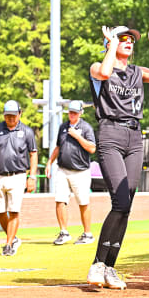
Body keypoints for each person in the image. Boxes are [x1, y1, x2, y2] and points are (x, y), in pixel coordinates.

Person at [86, 23, 149, 289]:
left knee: (127, 206)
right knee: (121, 201)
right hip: (110, 134)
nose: (128, 41)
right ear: (110, 42)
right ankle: (97, 264)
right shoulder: (98, 67)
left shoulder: (137, 71)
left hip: (134, 137)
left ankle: (110, 268)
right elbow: (105, 72)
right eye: (122, 38)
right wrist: (111, 46)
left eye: (131, 39)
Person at [0, 100, 38, 257]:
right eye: (7, 115)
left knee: (14, 211)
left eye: (13, 115)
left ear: (19, 114)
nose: (11, 118)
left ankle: (8, 244)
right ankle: (13, 238)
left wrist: (32, 177)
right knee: (0, 212)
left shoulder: (27, 131)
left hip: (18, 176)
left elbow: (33, 154)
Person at [46, 100, 97, 245]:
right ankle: (64, 232)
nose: (72, 114)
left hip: (80, 171)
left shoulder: (86, 128)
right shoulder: (63, 127)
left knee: (83, 202)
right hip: (62, 169)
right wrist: (49, 162)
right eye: (70, 112)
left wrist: (77, 136)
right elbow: (58, 147)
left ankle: (87, 234)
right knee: (60, 200)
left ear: (81, 113)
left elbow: (92, 148)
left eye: (75, 112)